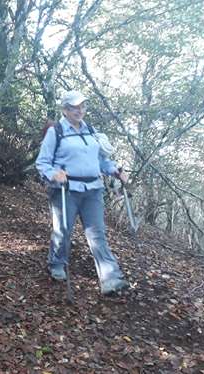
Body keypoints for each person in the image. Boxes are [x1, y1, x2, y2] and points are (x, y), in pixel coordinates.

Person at [36, 90, 130, 295]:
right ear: (65, 109)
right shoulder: (57, 131)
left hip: (93, 189)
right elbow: (42, 162)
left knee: (97, 234)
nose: (79, 111)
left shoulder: (91, 131)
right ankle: (57, 263)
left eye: (82, 107)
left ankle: (110, 278)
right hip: (66, 190)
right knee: (63, 231)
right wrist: (54, 174)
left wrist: (115, 170)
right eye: (74, 107)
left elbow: (101, 160)